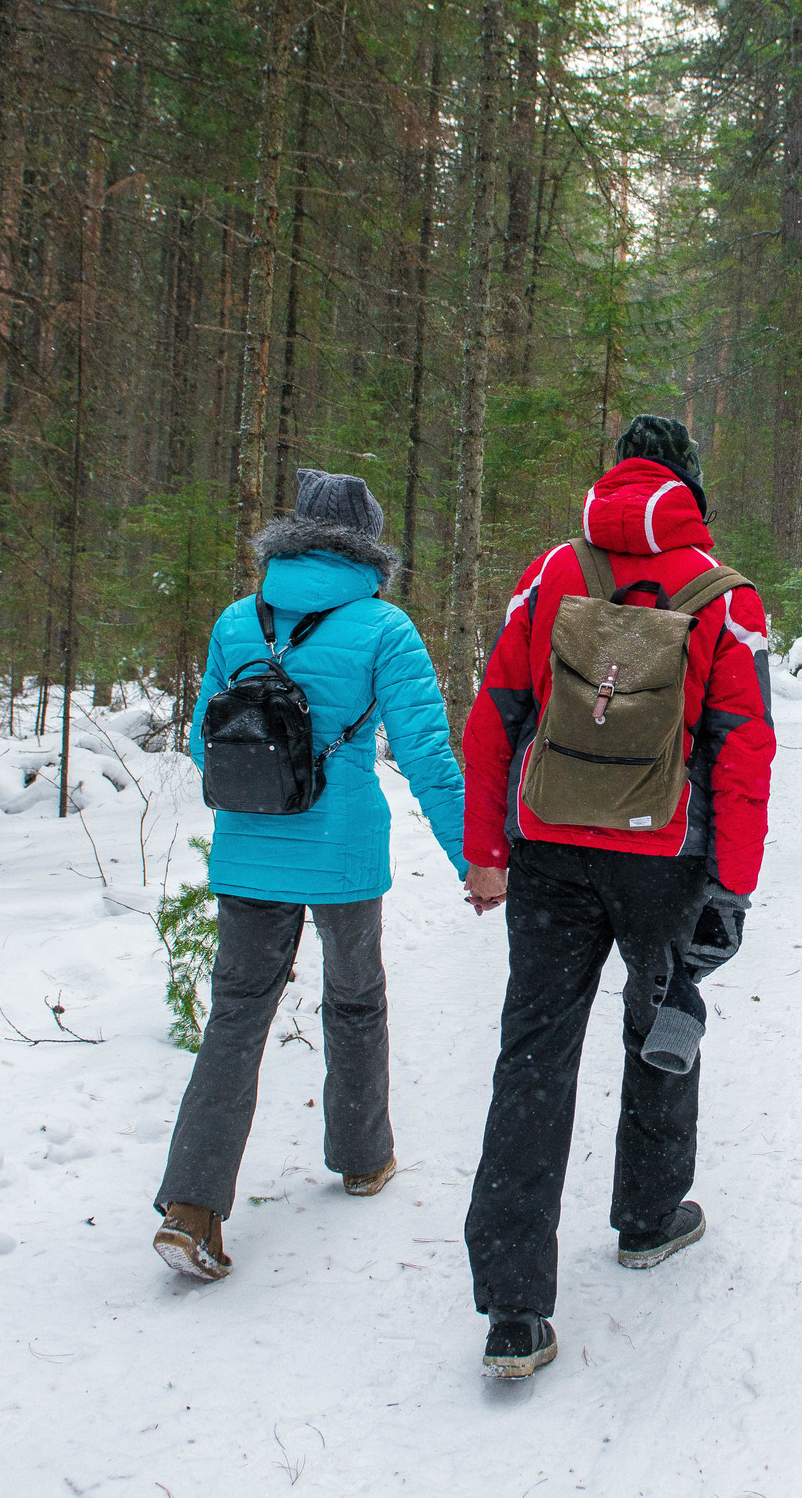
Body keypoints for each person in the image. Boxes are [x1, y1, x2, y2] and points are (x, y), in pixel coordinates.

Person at [459, 415, 776, 1380]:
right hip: (662, 852)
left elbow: (492, 715)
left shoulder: (553, 572)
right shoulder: (726, 596)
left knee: (533, 1053)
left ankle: (515, 1306)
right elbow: (746, 747)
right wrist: (734, 885)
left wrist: (486, 849)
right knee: (661, 1018)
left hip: (548, 846)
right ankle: (646, 1217)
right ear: (690, 486)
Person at [151, 470, 468, 1282]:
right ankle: (362, 1157)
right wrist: (476, 856)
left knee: (236, 1015)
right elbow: (428, 756)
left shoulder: (236, 621)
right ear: (368, 545)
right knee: (355, 995)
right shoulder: (384, 629)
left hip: (250, 848)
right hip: (344, 848)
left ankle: (192, 1205)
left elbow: (202, 742)